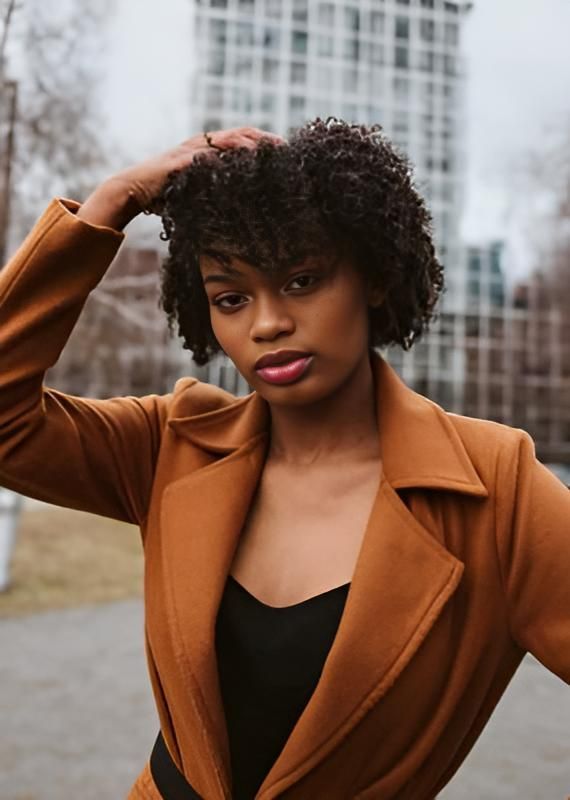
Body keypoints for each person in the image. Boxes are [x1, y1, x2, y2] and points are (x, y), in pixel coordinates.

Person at [0, 117, 568, 800]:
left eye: (302, 280)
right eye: (231, 298)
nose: (266, 322)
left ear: (375, 279)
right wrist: (108, 207)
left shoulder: (493, 486)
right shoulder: (170, 445)